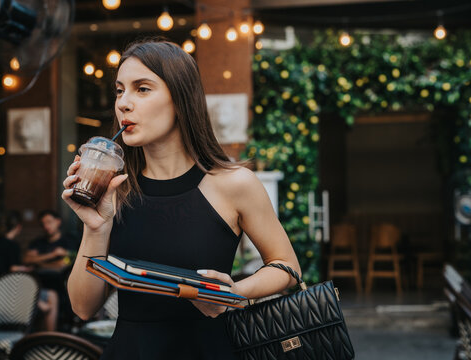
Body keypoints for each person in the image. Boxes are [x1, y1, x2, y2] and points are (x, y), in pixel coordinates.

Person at [62, 39, 301, 360]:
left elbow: (287, 267)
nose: (123, 103)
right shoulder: (115, 189)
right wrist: (95, 227)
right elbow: (83, 307)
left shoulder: (234, 183)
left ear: (180, 98)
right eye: (119, 91)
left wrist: (234, 293)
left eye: (142, 89)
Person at [0, 211, 59, 331]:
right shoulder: (12, 245)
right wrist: (27, 269)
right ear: (18, 227)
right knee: (52, 296)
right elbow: (13, 270)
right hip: (8, 291)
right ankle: (49, 338)